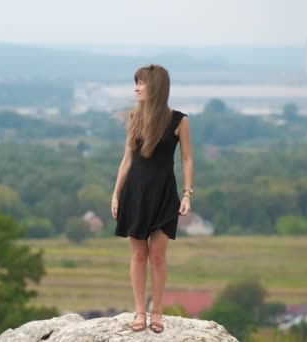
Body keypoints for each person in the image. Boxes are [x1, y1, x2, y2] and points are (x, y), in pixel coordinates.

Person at [111, 64, 193, 334]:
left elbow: (187, 160)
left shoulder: (179, 121)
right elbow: (127, 160)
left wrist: (187, 194)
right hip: (135, 192)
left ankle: (157, 311)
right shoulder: (134, 119)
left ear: (156, 86)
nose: (136, 87)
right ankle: (140, 311)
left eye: (141, 83)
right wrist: (116, 194)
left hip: (164, 194)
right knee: (138, 254)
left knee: (157, 256)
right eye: (135, 82)